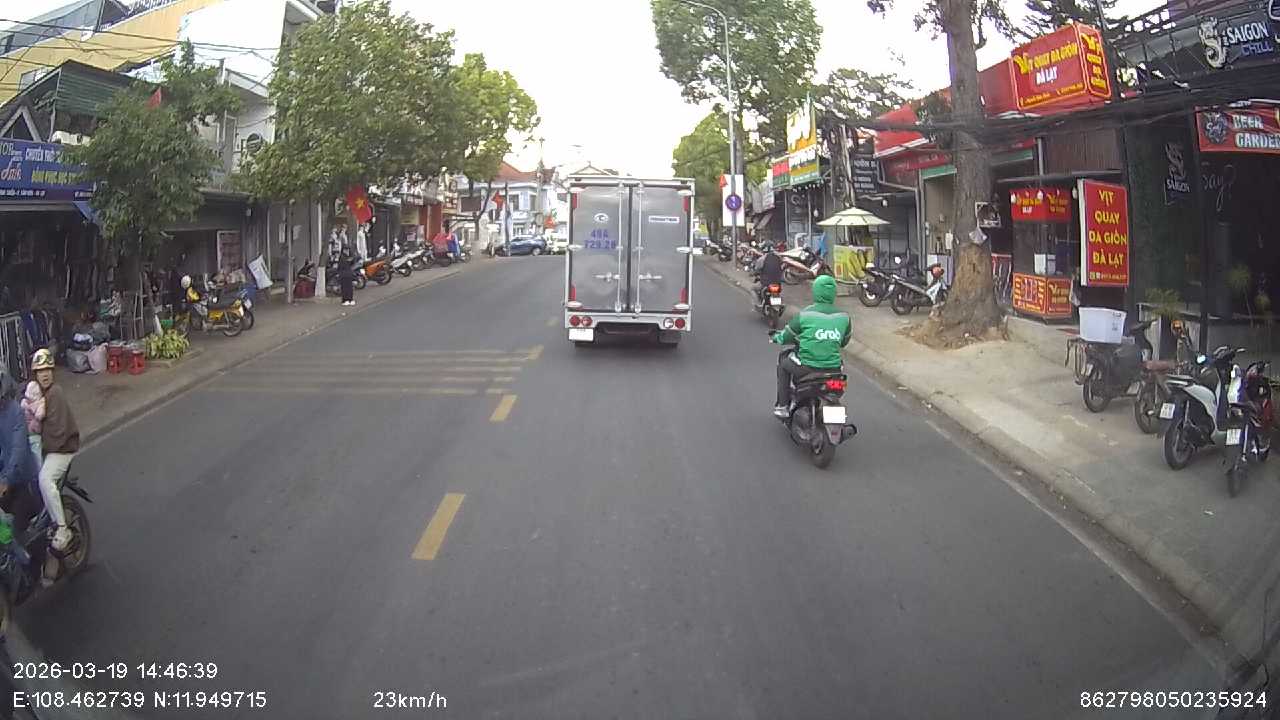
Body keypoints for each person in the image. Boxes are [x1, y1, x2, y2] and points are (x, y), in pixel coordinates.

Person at [771, 275, 852, 418]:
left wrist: (776, 337)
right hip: (834, 370)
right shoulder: (844, 317)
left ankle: (783, 406)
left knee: (784, 363)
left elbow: (786, 336)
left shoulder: (805, 315)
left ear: (815, 292)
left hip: (807, 367)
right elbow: (844, 342)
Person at [32, 351, 77, 552]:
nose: (45, 374)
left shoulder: (55, 393)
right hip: (51, 449)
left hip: (62, 449)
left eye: (48, 370)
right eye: (40, 371)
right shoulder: (39, 395)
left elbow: (58, 431)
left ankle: (62, 527)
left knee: (44, 479)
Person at [0, 367, 39, 562]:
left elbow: (18, 450)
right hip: (5, 482)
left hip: (23, 482)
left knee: (12, 532)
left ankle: (29, 565)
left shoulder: (15, 412)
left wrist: (5, 480)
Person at [19, 363, 44, 471]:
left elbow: (40, 414)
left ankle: (40, 472)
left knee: (37, 456)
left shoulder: (40, 404)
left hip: (36, 434)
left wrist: (34, 407)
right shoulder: (24, 403)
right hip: (27, 434)